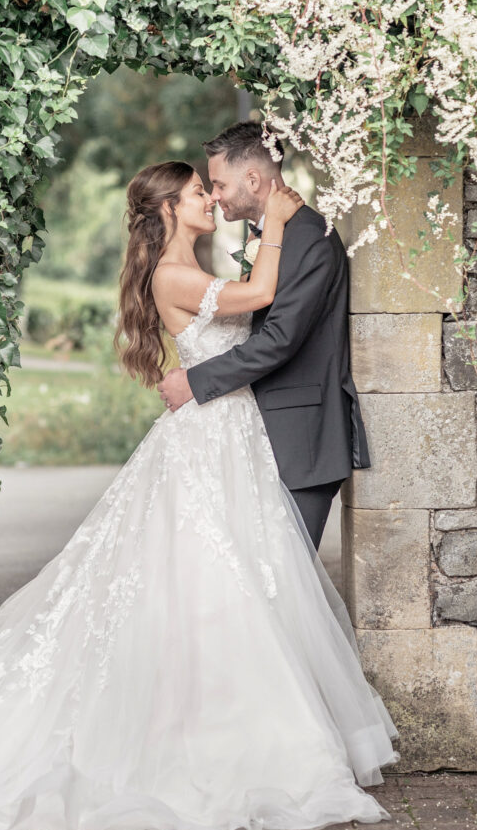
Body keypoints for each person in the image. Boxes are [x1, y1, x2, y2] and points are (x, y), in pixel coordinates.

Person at [0, 159, 398, 830]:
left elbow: (262, 316)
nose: (210, 198)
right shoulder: (175, 276)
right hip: (209, 439)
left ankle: (220, 730)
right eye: (196, 193)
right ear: (170, 211)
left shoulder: (193, 269)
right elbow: (264, 290)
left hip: (232, 438)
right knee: (210, 586)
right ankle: (206, 746)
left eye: (210, 188)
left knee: (225, 590)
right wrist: (276, 217)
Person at [158, 121, 371, 551]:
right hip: (259, 437)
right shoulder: (275, 236)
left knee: (281, 590)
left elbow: (279, 339)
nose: (214, 196)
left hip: (301, 441)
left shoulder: (308, 238)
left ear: (253, 179)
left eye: (217, 184)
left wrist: (195, 381)